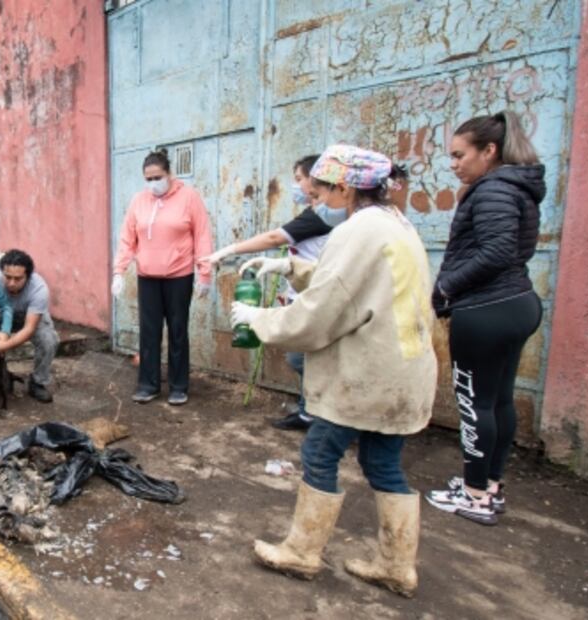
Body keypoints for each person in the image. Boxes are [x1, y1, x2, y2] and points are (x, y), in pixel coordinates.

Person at [231, 145, 435, 597]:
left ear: (344, 188)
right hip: (403, 372)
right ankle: (397, 566)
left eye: (321, 191)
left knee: (320, 453)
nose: (318, 200)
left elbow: (321, 312)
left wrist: (259, 319)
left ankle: (301, 553)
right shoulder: (394, 223)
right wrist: (289, 265)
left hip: (367, 373)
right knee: (383, 464)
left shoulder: (358, 230)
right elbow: (349, 282)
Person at [425, 111, 544, 526]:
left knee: (475, 403)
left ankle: (475, 495)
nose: (454, 164)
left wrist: (446, 287)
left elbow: (496, 252)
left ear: (489, 151)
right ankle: (488, 485)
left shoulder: (493, 189)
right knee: (498, 400)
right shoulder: (516, 186)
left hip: (486, 310)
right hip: (516, 304)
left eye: (460, 155)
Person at [204, 154, 350, 431]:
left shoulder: (322, 215)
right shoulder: (318, 212)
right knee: (302, 356)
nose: (296, 185)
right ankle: (310, 410)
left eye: (299, 179)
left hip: (317, 292)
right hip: (304, 286)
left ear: (316, 180)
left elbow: (274, 238)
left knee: (302, 357)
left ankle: (325, 413)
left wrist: (228, 250)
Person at [111, 149, 214, 406]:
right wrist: (119, 271)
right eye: (148, 179)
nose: (153, 183)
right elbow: (127, 238)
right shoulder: (139, 201)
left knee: (178, 330)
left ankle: (179, 386)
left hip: (179, 275)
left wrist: (204, 273)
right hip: (148, 276)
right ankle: (148, 384)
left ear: (169, 174)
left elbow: (202, 235)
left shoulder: (189, 198)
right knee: (149, 331)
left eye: (157, 177)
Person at [0, 249, 60, 403]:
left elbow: (29, 328)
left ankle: (38, 382)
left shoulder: (39, 288)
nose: (11, 283)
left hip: (30, 316)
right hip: (2, 315)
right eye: (7, 277)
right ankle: (0, 376)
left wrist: (3, 346)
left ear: (28, 276)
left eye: (17, 279)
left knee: (49, 340)